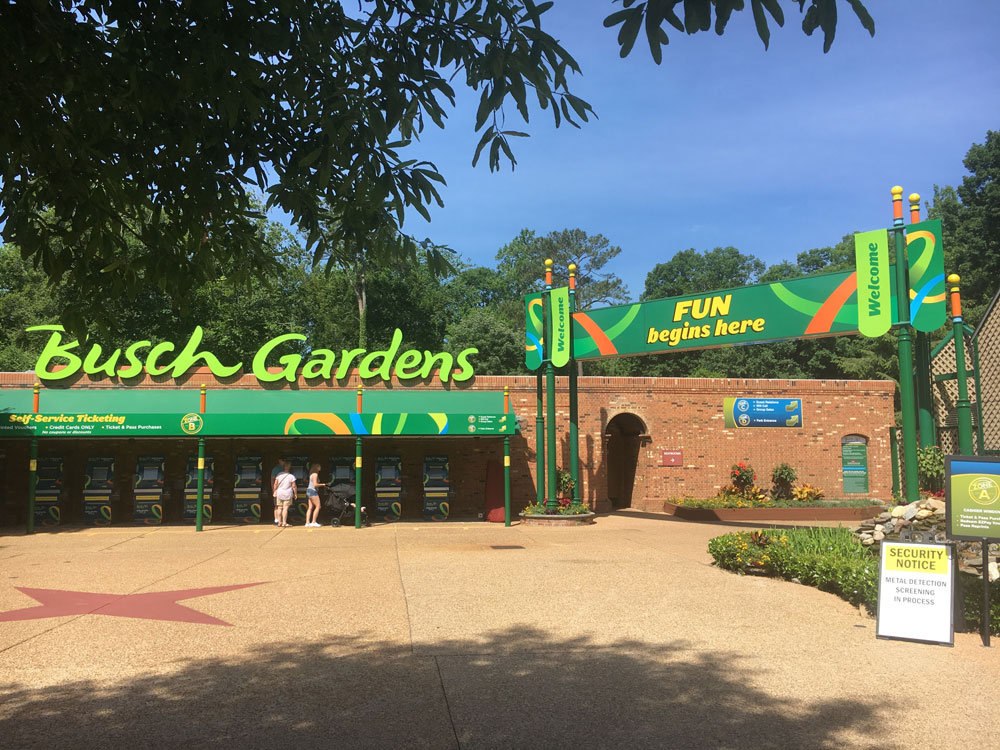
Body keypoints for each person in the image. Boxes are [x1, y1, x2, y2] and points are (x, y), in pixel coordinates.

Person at [272, 460, 297, 527]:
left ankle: (279, 522)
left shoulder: (279, 475)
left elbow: (275, 484)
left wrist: (274, 491)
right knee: (285, 508)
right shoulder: (291, 476)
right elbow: (294, 486)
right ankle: (284, 522)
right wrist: (295, 494)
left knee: (279, 508)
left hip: (279, 493)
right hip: (287, 494)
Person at [304, 463, 325, 527]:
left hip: (309, 491)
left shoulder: (311, 474)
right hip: (313, 491)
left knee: (310, 507)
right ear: (317, 467)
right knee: (318, 506)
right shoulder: (315, 474)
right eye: (319, 467)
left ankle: (307, 522)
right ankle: (313, 521)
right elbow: (315, 484)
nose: (320, 468)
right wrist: (323, 484)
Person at [271, 458, 287, 525]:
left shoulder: (284, 468)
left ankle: (279, 520)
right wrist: (273, 490)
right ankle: (276, 519)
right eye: (283, 460)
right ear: (279, 460)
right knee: (277, 505)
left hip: (284, 490)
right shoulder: (276, 469)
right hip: (278, 489)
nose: (284, 462)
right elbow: (272, 480)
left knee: (281, 506)